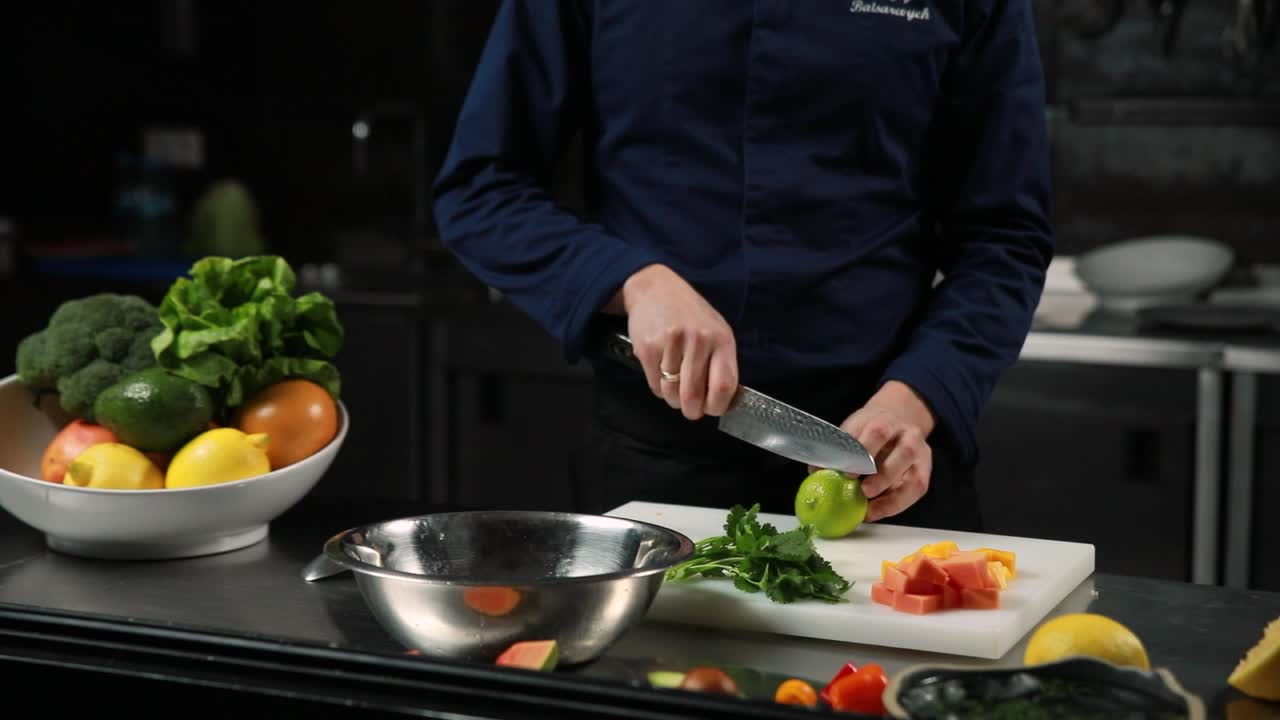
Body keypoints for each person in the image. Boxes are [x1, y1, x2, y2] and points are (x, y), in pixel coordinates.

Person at [432, 0, 1053, 531]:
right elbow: (481, 191)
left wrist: (911, 402)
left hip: (888, 467)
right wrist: (634, 282)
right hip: (659, 466)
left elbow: (1004, 237)